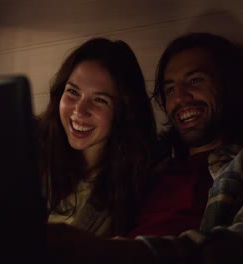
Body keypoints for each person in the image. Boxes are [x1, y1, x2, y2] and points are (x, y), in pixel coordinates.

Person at [47, 32, 243, 263]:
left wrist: (122, 253)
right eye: (170, 88)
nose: (181, 97)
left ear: (229, 86)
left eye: (195, 81)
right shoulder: (148, 172)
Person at [38, 38, 158, 237]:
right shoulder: (34, 151)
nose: (79, 110)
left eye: (99, 100)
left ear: (124, 111)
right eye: (73, 92)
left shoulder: (140, 181)